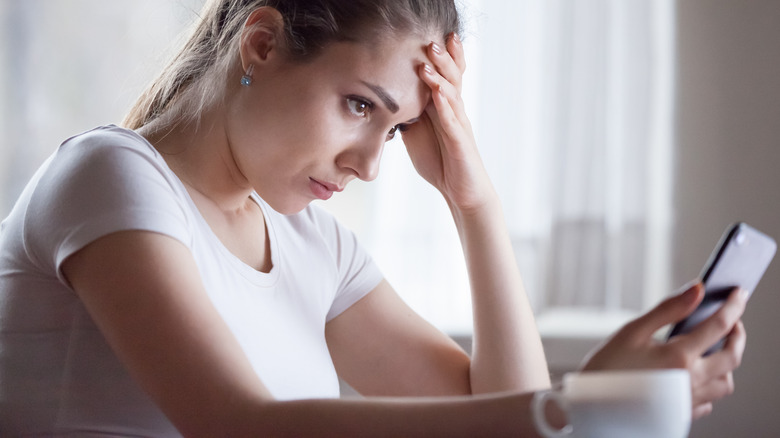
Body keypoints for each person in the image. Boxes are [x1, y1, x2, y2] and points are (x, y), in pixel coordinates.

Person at [0, 0, 747, 436]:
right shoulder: (112, 174)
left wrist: (471, 198)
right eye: (361, 105)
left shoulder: (311, 243)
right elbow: (238, 426)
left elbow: (494, 409)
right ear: (260, 44)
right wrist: (572, 408)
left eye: (393, 129)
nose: (369, 164)